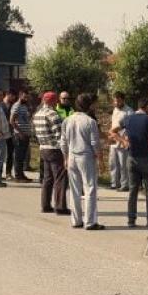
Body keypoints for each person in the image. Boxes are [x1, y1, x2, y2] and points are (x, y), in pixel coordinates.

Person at [112, 98, 148, 228]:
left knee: (133, 190)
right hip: (146, 158)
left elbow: (112, 131)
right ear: (146, 106)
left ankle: (131, 220)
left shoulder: (128, 118)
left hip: (131, 158)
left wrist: (124, 142)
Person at [60, 93, 103, 230]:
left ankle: (76, 220)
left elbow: (63, 142)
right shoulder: (90, 122)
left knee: (74, 190)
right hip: (86, 157)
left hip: (72, 156)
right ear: (89, 105)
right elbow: (95, 143)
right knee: (90, 189)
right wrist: (101, 160)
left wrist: (65, 157)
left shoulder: (67, 120)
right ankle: (90, 222)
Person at [34, 91, 70, 215]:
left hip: (43, 148)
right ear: (54, 101)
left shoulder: (37, 114)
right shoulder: (53, 115)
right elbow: (60, 135)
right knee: (60, 178)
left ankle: (45, 205)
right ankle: (60, 207)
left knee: (47, 178)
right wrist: (66, 152)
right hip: (54, 149)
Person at [108, 91, 133, 192]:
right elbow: (113, 124)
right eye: (115, 101)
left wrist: (125, 139)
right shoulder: (115, 110)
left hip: (122, 140)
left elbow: (130, 127)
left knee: (123, 164)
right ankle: (114, 183)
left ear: (123, 100)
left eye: (118, 101)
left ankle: (124, 184)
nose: (116, 103)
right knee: (113, 163)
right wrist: (110, 136)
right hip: (114, 140)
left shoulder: (129, 111)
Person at [10, 89, 34, 183]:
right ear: (20, 96)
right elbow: (11, 121)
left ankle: (22, 175)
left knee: (23, 156)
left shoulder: (25, 106)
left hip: (26, 134)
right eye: (24, 96)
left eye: (27, 97)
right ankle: (18, 176)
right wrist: (20, 133)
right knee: (18, 156)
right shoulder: (16, 106)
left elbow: (27, 118)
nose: (26, 98)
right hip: (19, 135)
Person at [1, 89, 17, 180]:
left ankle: (8, 173)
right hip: (1, 132)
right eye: (13, 96)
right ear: (8, 95)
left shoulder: (12, 105)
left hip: (10, 133)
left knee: (10, 153)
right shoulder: (0, 105)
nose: (14, 98)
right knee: (0, 153)